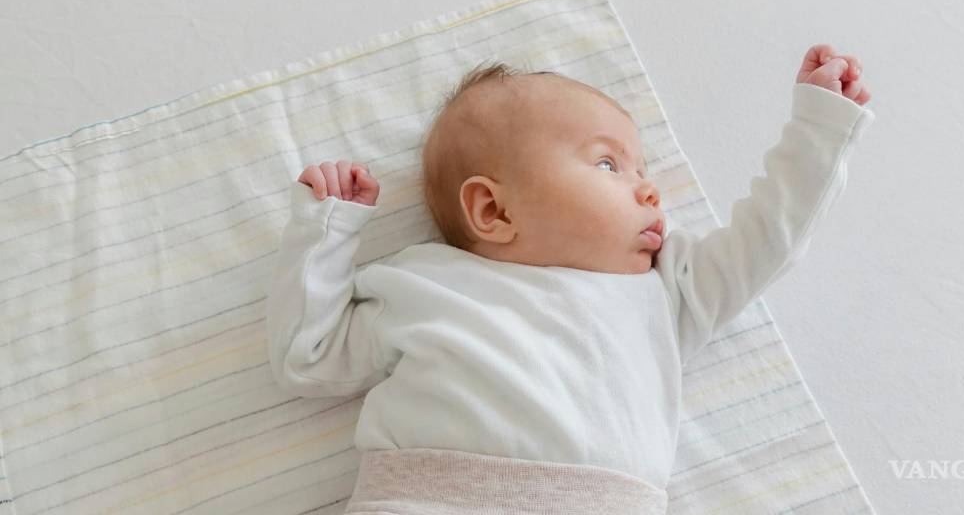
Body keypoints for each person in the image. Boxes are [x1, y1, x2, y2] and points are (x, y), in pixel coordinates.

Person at [265, 44, 874, 514]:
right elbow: (309, 357)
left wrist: (818, 131)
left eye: (642, 167)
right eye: (609, 162)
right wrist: (327, 234)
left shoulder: (667, 291)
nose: (648, 187)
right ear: (495, 212)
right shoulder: (422, 283)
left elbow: (770, 238)